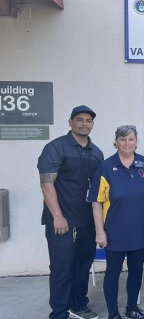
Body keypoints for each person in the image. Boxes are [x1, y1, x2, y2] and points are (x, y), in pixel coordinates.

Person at [37, 105, 104, 319]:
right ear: (70, 122)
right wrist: (57, 216)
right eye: (80, 120)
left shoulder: (96, 152)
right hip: (62, 221)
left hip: (87, 222)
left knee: (82, 266)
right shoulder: (56, 148)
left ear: (92, 125)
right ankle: (59, 312)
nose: (84, 124)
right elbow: (47, 184)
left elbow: (100, 189)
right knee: (62, 268)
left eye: (88, 121)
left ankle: (78, 305)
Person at [88, 125, 144, 319]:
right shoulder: (106, 167)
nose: (127, 143)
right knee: (113, 272)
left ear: (136, 141)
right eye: (123, 139)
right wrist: (99, 232)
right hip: (114, 231)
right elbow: (96, 202)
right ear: (116, 141)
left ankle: (132, 308)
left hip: (140, 229)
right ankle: (113, 313)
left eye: (131, 139)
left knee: (136, 271)